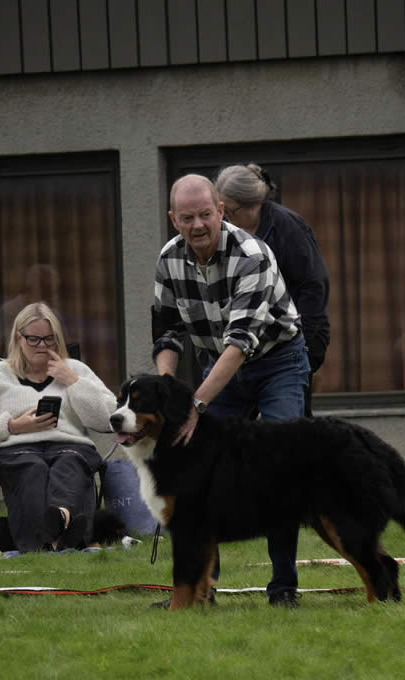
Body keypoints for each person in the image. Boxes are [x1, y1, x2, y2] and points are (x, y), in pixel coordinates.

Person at [151, 174, 310, 607]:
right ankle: (204, 588)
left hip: (276, 361)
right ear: (173, 219)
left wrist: (196, 405)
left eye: (206, 214)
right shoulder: (169, 259)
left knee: (279, 470)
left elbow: (240, 344)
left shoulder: (252, 255)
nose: (198, 224)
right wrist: (168, 393)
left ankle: (283, 588)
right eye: (187, 217)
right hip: (217, 366)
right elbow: (166, 333)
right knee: (201, 475)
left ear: (221, 209)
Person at [0, 302, 117, 553]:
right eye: (33, 339)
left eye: (49, 339)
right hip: (17, 450)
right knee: (33, 468)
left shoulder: (75, 370)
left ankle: (53, 531)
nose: (42, 346)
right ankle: (61, 538)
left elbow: (109, 417)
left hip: (71, 447)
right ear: (18, 338)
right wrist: (11, 426)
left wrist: (72, 382)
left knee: (69, 464)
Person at [215, 164, 330, 416]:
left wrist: (304, 347)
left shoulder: (287, 228)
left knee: (289, 428)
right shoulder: (227, 234)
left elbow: (314, 286)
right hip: (246, 341)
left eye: (230, 212)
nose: (225, 220)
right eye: (220, 211)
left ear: (252, 205)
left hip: (295, 338)